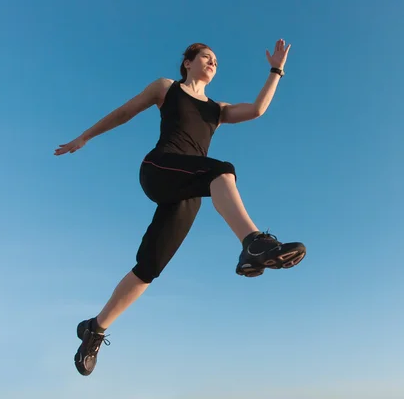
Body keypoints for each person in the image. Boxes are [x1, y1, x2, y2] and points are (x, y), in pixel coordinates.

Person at [54, 39, 307, 376]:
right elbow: (124, 112)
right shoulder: (167, 88)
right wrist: (86, 135)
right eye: (206, 56)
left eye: (217, 60)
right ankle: (254, 243)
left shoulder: (217, 110)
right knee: (222, 170)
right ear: (187, 63)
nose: (213, 62)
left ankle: (94, 329)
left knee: (149, 266)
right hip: (160, 168)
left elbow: (258, 109)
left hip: (190, 185)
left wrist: (276, 70)